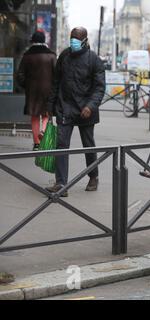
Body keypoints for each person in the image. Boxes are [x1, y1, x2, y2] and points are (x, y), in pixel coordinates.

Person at [45, 27, 106, 197]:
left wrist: (90, 106)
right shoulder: (64, 56)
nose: (73, 42)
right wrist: (50, 106)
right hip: (65, 108)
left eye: (76, 39)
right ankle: (61, 183)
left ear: (85, 41)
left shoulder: (94, 59)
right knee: (61, 145)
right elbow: (55, 82)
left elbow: (99, 88)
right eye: (72, 38)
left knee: (88, 145)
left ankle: (93, 177)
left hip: (86, 110)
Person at [17, 31, 57, 151]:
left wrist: (27, 85)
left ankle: (36, 144)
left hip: (32, 91)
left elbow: (20, 75)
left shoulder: (27, 56)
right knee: (46, 114)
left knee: (34, 116)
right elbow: (57, 75)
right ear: (44, 41)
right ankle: (43, 130)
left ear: (33, 41)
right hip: (48, 90)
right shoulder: (51, 56)